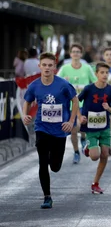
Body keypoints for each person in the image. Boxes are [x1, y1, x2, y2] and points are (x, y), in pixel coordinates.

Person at [23, 53, 79, 209]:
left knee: (55, 167)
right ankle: (47, 197)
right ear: (39, 66)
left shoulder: (63, 85)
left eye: (50, 65)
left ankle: (51, 157)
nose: (47, 68)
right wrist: (26, 115)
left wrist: (71, 121)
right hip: (42, 127)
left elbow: (75, 101)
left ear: (54, 67)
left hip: (59, 130)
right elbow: (27, 101)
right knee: (42, 162)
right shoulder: (34, 85)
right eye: (44, 65)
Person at [78, 62, 111, 194]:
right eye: (102, 72)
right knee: (94, 156)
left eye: (107, 73)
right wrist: (79, 116)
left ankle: (95, 183)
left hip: (105, 126)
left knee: (105, 154)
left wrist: (110, 109)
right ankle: (88, 148)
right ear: (96, 74)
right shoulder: (89, 89)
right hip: (90, 127)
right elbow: (75, 101)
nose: (105, 75)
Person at [57, 43, 96, 164]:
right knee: (73, 130)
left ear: (81, 54)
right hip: (70, 104)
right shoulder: (64, 68)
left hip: (84, 103)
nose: (75, 54)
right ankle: (76, 152)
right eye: (73, 52)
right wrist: (64, 83)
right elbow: (57, 82)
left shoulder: (87, 68)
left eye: (78, 52)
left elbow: (94, 82)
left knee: (80, 125)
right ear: (70, 53)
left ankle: (83, 137)